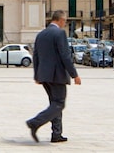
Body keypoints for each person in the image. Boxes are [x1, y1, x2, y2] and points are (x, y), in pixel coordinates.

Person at [26, 10, 81, 143]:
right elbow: (65, 56)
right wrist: (75, 75)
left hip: (44, 75)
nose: (65, 24)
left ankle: (56, 134)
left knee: (54, 103)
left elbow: (36, 56)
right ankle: (35, 122)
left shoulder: (41, 34)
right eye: (65, 21)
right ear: (60, 20)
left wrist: (37, 75)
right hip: (57, 75)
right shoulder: (60, 33)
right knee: (59, 103)